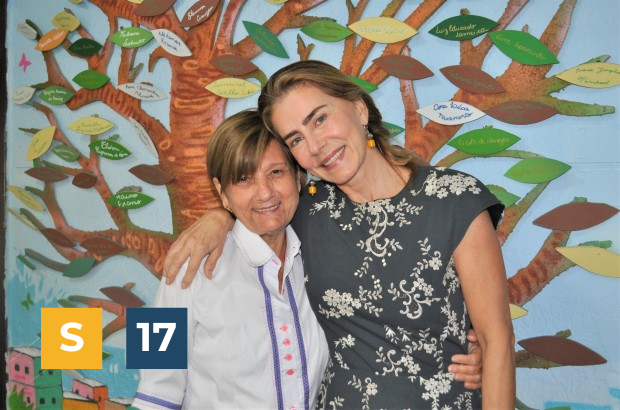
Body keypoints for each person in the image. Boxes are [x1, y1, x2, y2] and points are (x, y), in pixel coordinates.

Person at [164, 60, 515, 409]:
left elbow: (496, 340)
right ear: (221, 190)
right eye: (296, 139)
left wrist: (220, 215)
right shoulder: (182, 267)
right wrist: (216, 218)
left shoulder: (450, 200)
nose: (315, 145)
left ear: (359, 109)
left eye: (319, 119)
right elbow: (148, 372)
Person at [133, 110, 330, 410]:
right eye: (243, 179)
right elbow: (150, 395)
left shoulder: (320, 257)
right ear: (222, 192)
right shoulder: (185, 263)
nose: (265, 193)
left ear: (298, 176)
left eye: (276, 172)